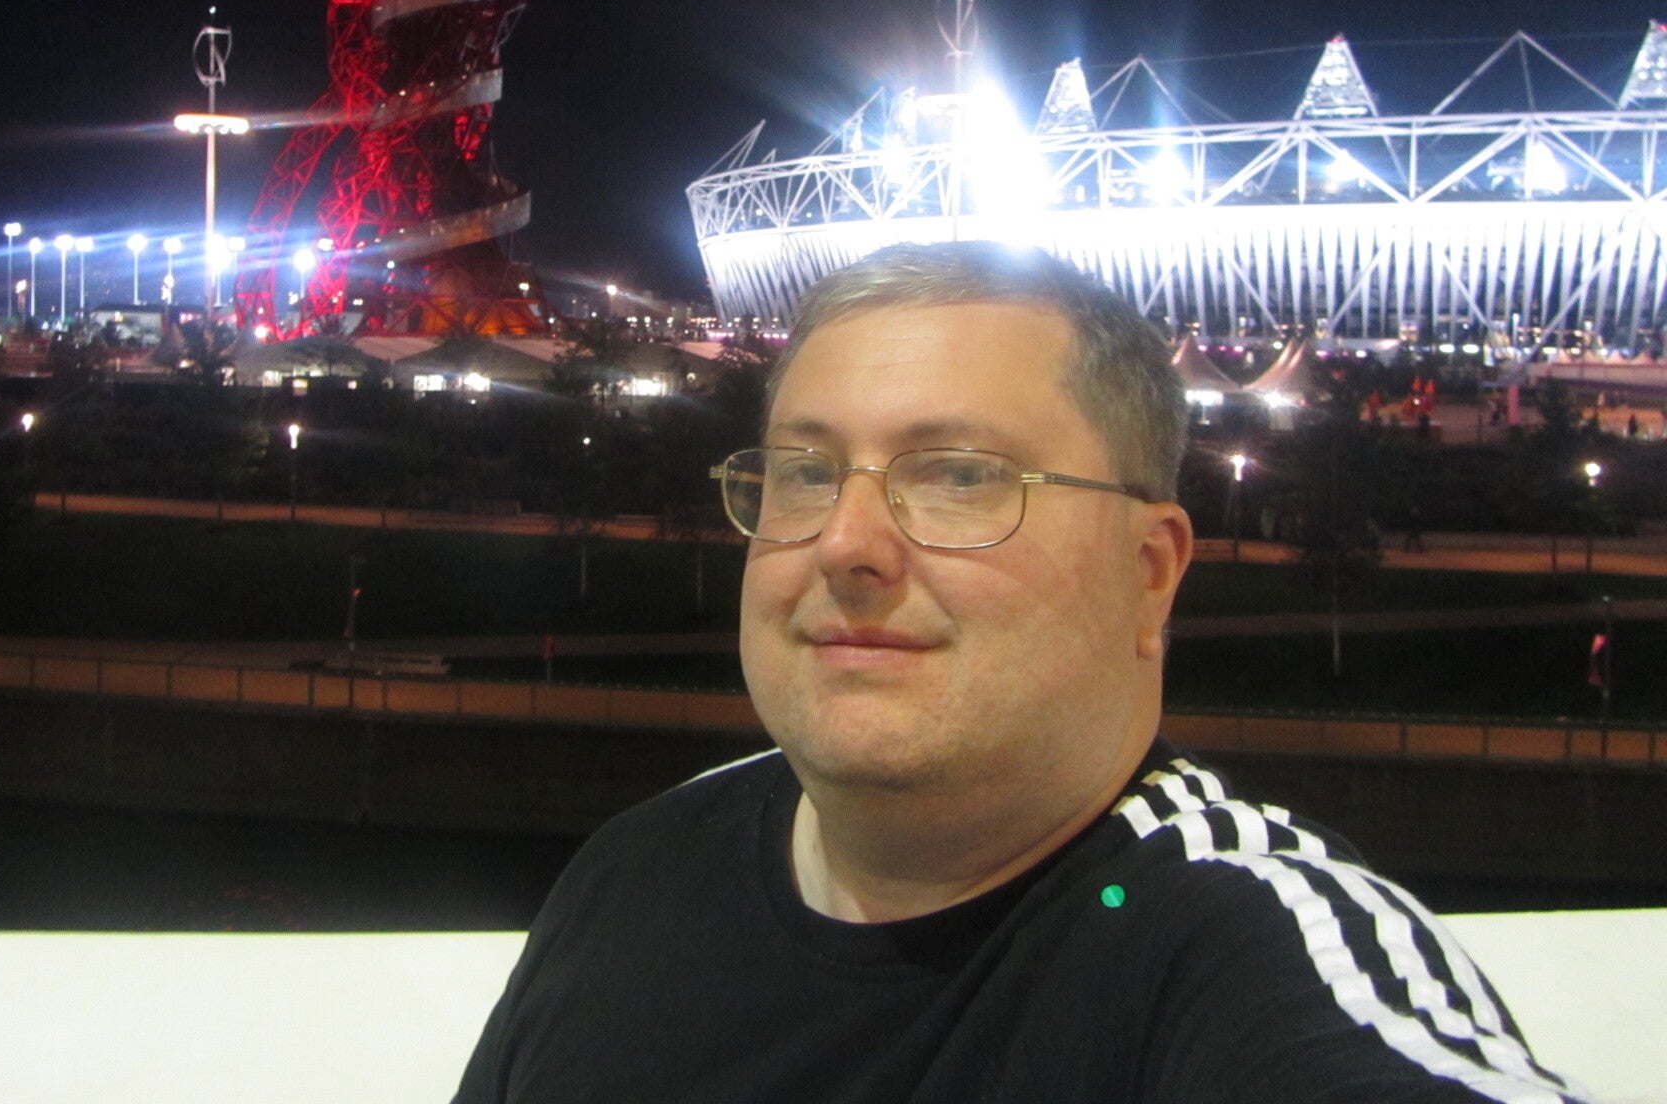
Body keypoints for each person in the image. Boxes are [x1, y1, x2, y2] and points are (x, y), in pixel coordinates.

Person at [455, 242, 1582, 1103]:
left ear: (1148, 574)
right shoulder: (640, 864)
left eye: (959, 476)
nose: (845, 544)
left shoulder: (1238, 943)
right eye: (805, 471)